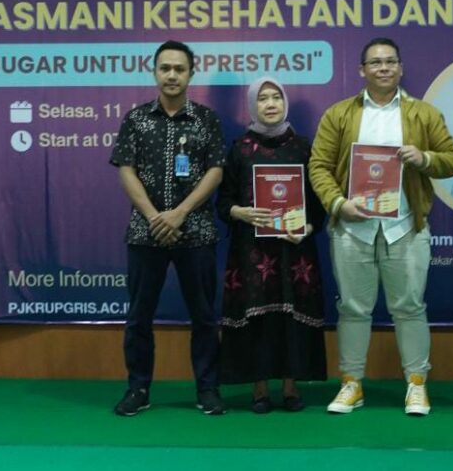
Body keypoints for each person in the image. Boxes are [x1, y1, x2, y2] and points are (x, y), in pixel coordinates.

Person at [309, 37, 453, 416]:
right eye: (375, 62)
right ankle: (352, 384)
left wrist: (425, 158)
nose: (383, 68)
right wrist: (339, 204)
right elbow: (319, 166)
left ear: (401, 68)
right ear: (362, 70)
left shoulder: (423, 113)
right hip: (352, 228)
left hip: (405, 227)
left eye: (390, 61)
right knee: (353, 309)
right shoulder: (339, 114)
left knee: (410, 307)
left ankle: (416, 385)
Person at [109, 40, 227, 416]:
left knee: (204, 317)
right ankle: (138, 389)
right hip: (146, 232)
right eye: (165, 68)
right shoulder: (136, 119)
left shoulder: (207, 119)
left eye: (179, 69)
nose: (172, 75)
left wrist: (180, 213)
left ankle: (207, 389)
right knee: (138, 317)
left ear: (191, 73)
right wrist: (154, 216)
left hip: (197, 231)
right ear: (155, 72)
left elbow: (216, 171)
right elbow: (126, 169)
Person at [216, 77, 328, 414]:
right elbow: (223, 202)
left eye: (276, 97)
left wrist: (308, 227)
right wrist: (240, 212)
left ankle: (291, 387)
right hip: (251, 250)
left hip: (294, 248)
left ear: (285, 103)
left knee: (290, 316)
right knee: (258, 318)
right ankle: (260, 388)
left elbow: (318, 204)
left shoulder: (304, 148)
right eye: (262, 98)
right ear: (253, 105)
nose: (270, 104)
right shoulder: (239, 149)